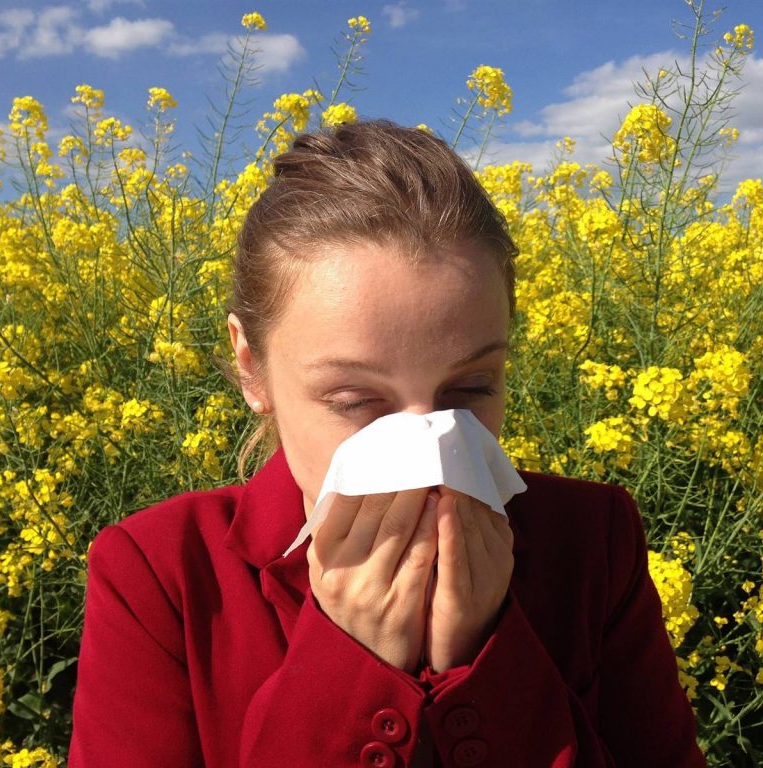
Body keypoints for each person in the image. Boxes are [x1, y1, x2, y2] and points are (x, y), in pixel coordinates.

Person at [69, 120, 706, 767]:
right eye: (354, 401)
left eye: (471, 390)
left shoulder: (591, 541)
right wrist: (350, 661)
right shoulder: (162, 575)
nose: (429, 451)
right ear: (251, 369)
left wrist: (486, 654)